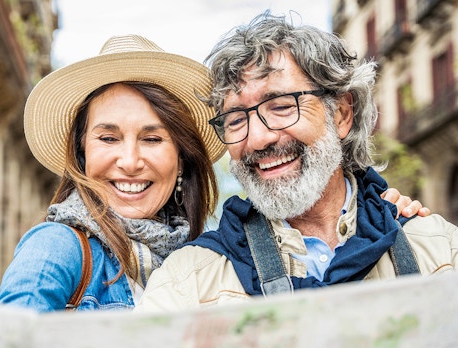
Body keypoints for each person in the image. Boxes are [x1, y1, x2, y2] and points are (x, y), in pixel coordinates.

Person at [135, 11, 455, 312]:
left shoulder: (441, 251)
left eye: (281, 106)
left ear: (342, 114)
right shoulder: (186, 281)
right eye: (235, 120)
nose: (258, 139)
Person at [0, 35, 226, 312]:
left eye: (152, 139)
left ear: (182, 158)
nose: (130, 162)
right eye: (108, 138)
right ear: (82, 154)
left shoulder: (209, 265)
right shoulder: (55, 247)